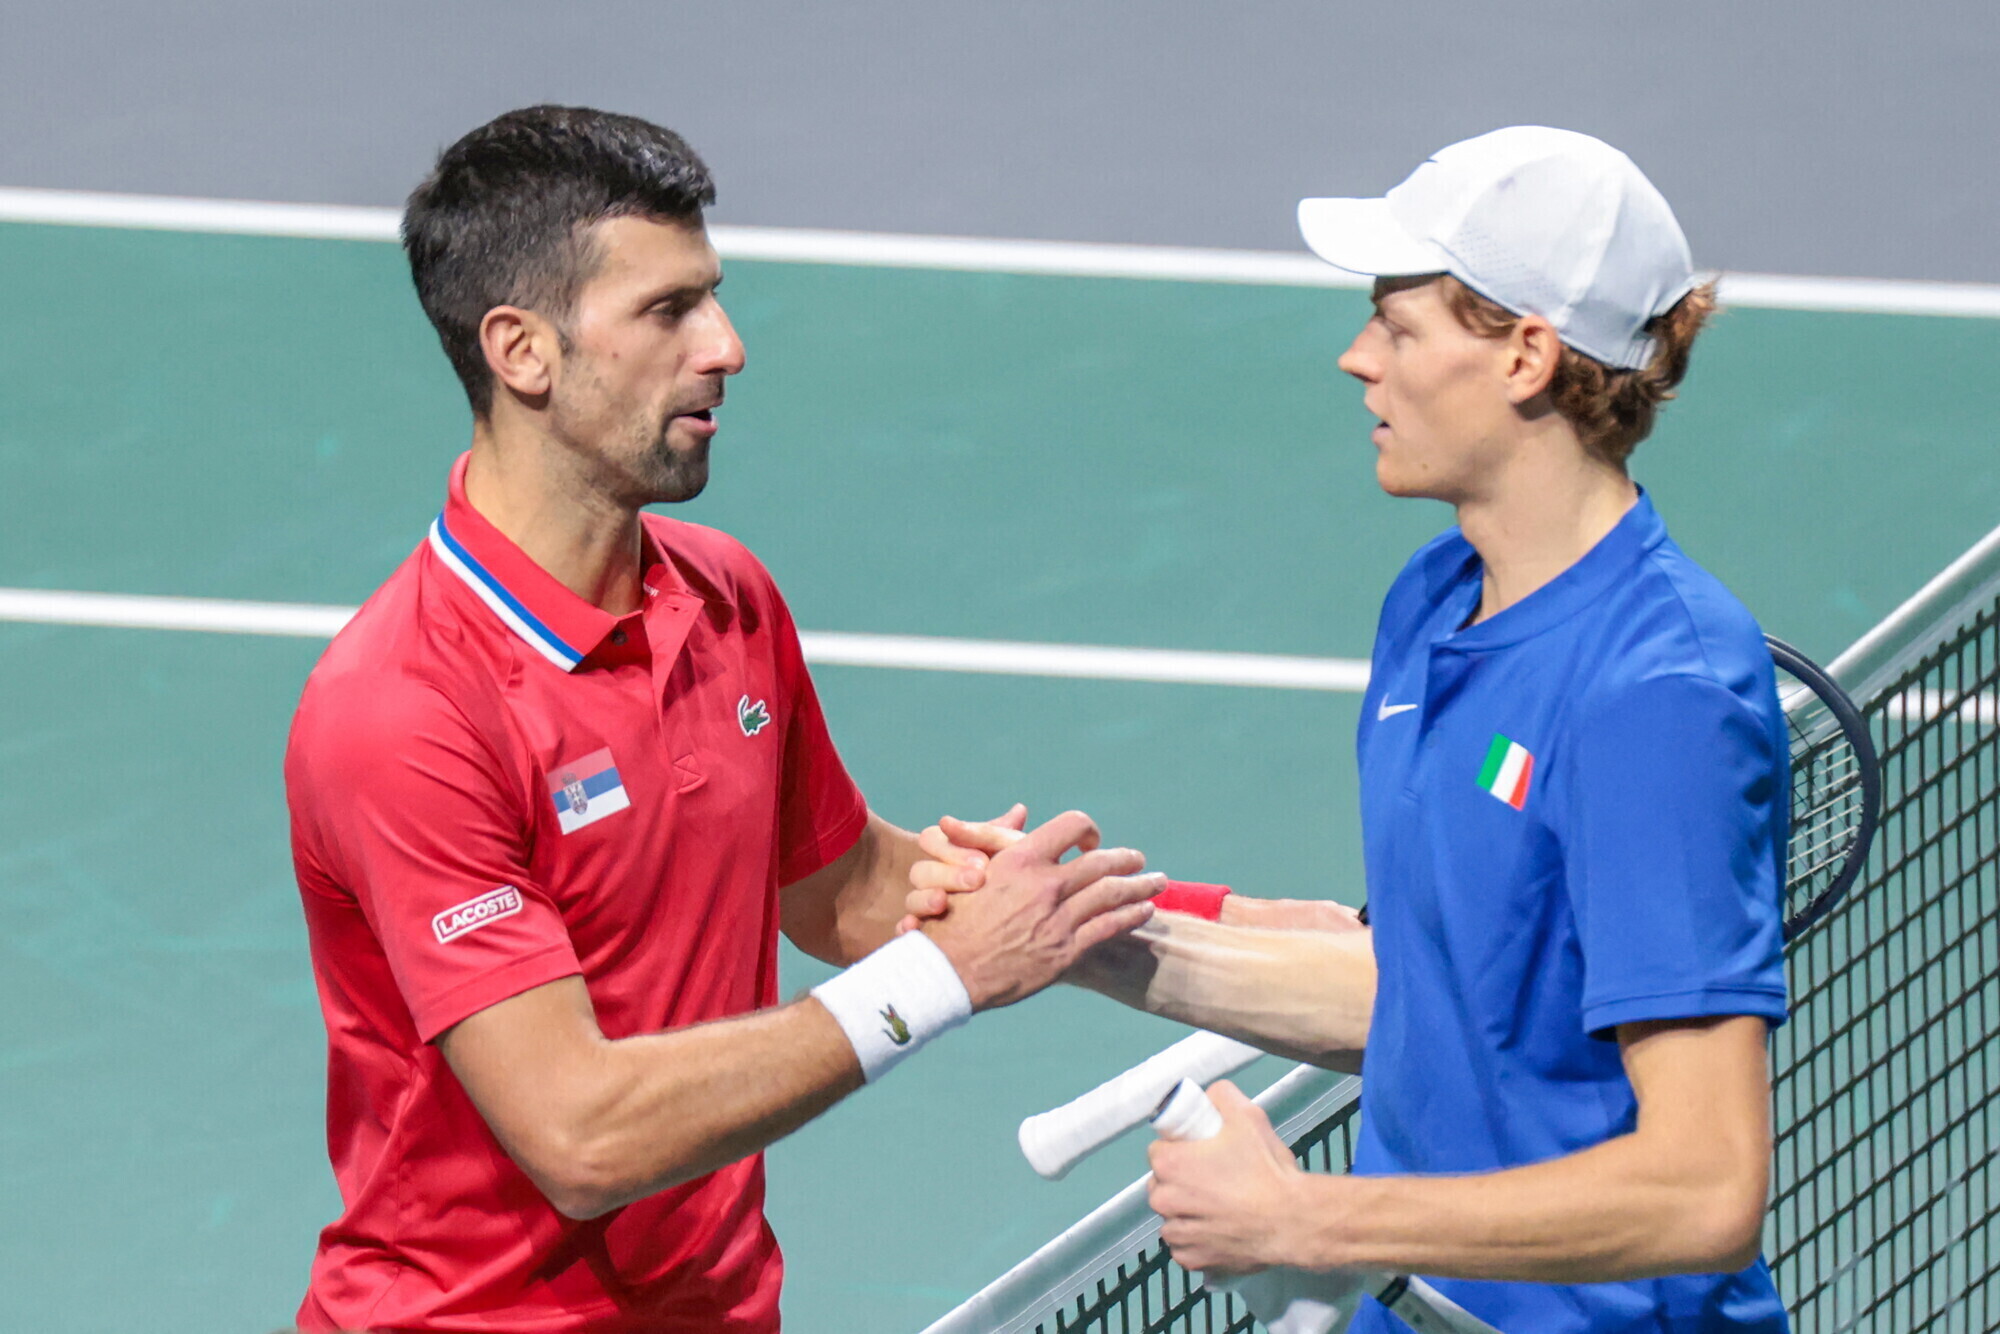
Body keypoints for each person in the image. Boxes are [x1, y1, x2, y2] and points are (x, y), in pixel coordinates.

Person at [283, 105, 1163, 1334]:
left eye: (715, 298)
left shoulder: (722, 595)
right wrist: (940, 977)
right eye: (668, 310)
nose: (728, 346)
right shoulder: (404, 709)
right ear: (520, 351)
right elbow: (580, 1132)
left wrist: (1136, 921)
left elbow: (842, 888)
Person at [909, 127, 1790, 1331]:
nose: (1355, 357)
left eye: (1398, 323)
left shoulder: (1654, 692)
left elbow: (1702, 1187)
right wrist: (1075, 932)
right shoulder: (1433, 598)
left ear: (1526, 353)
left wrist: (1305, 1220)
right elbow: (1424, 995)